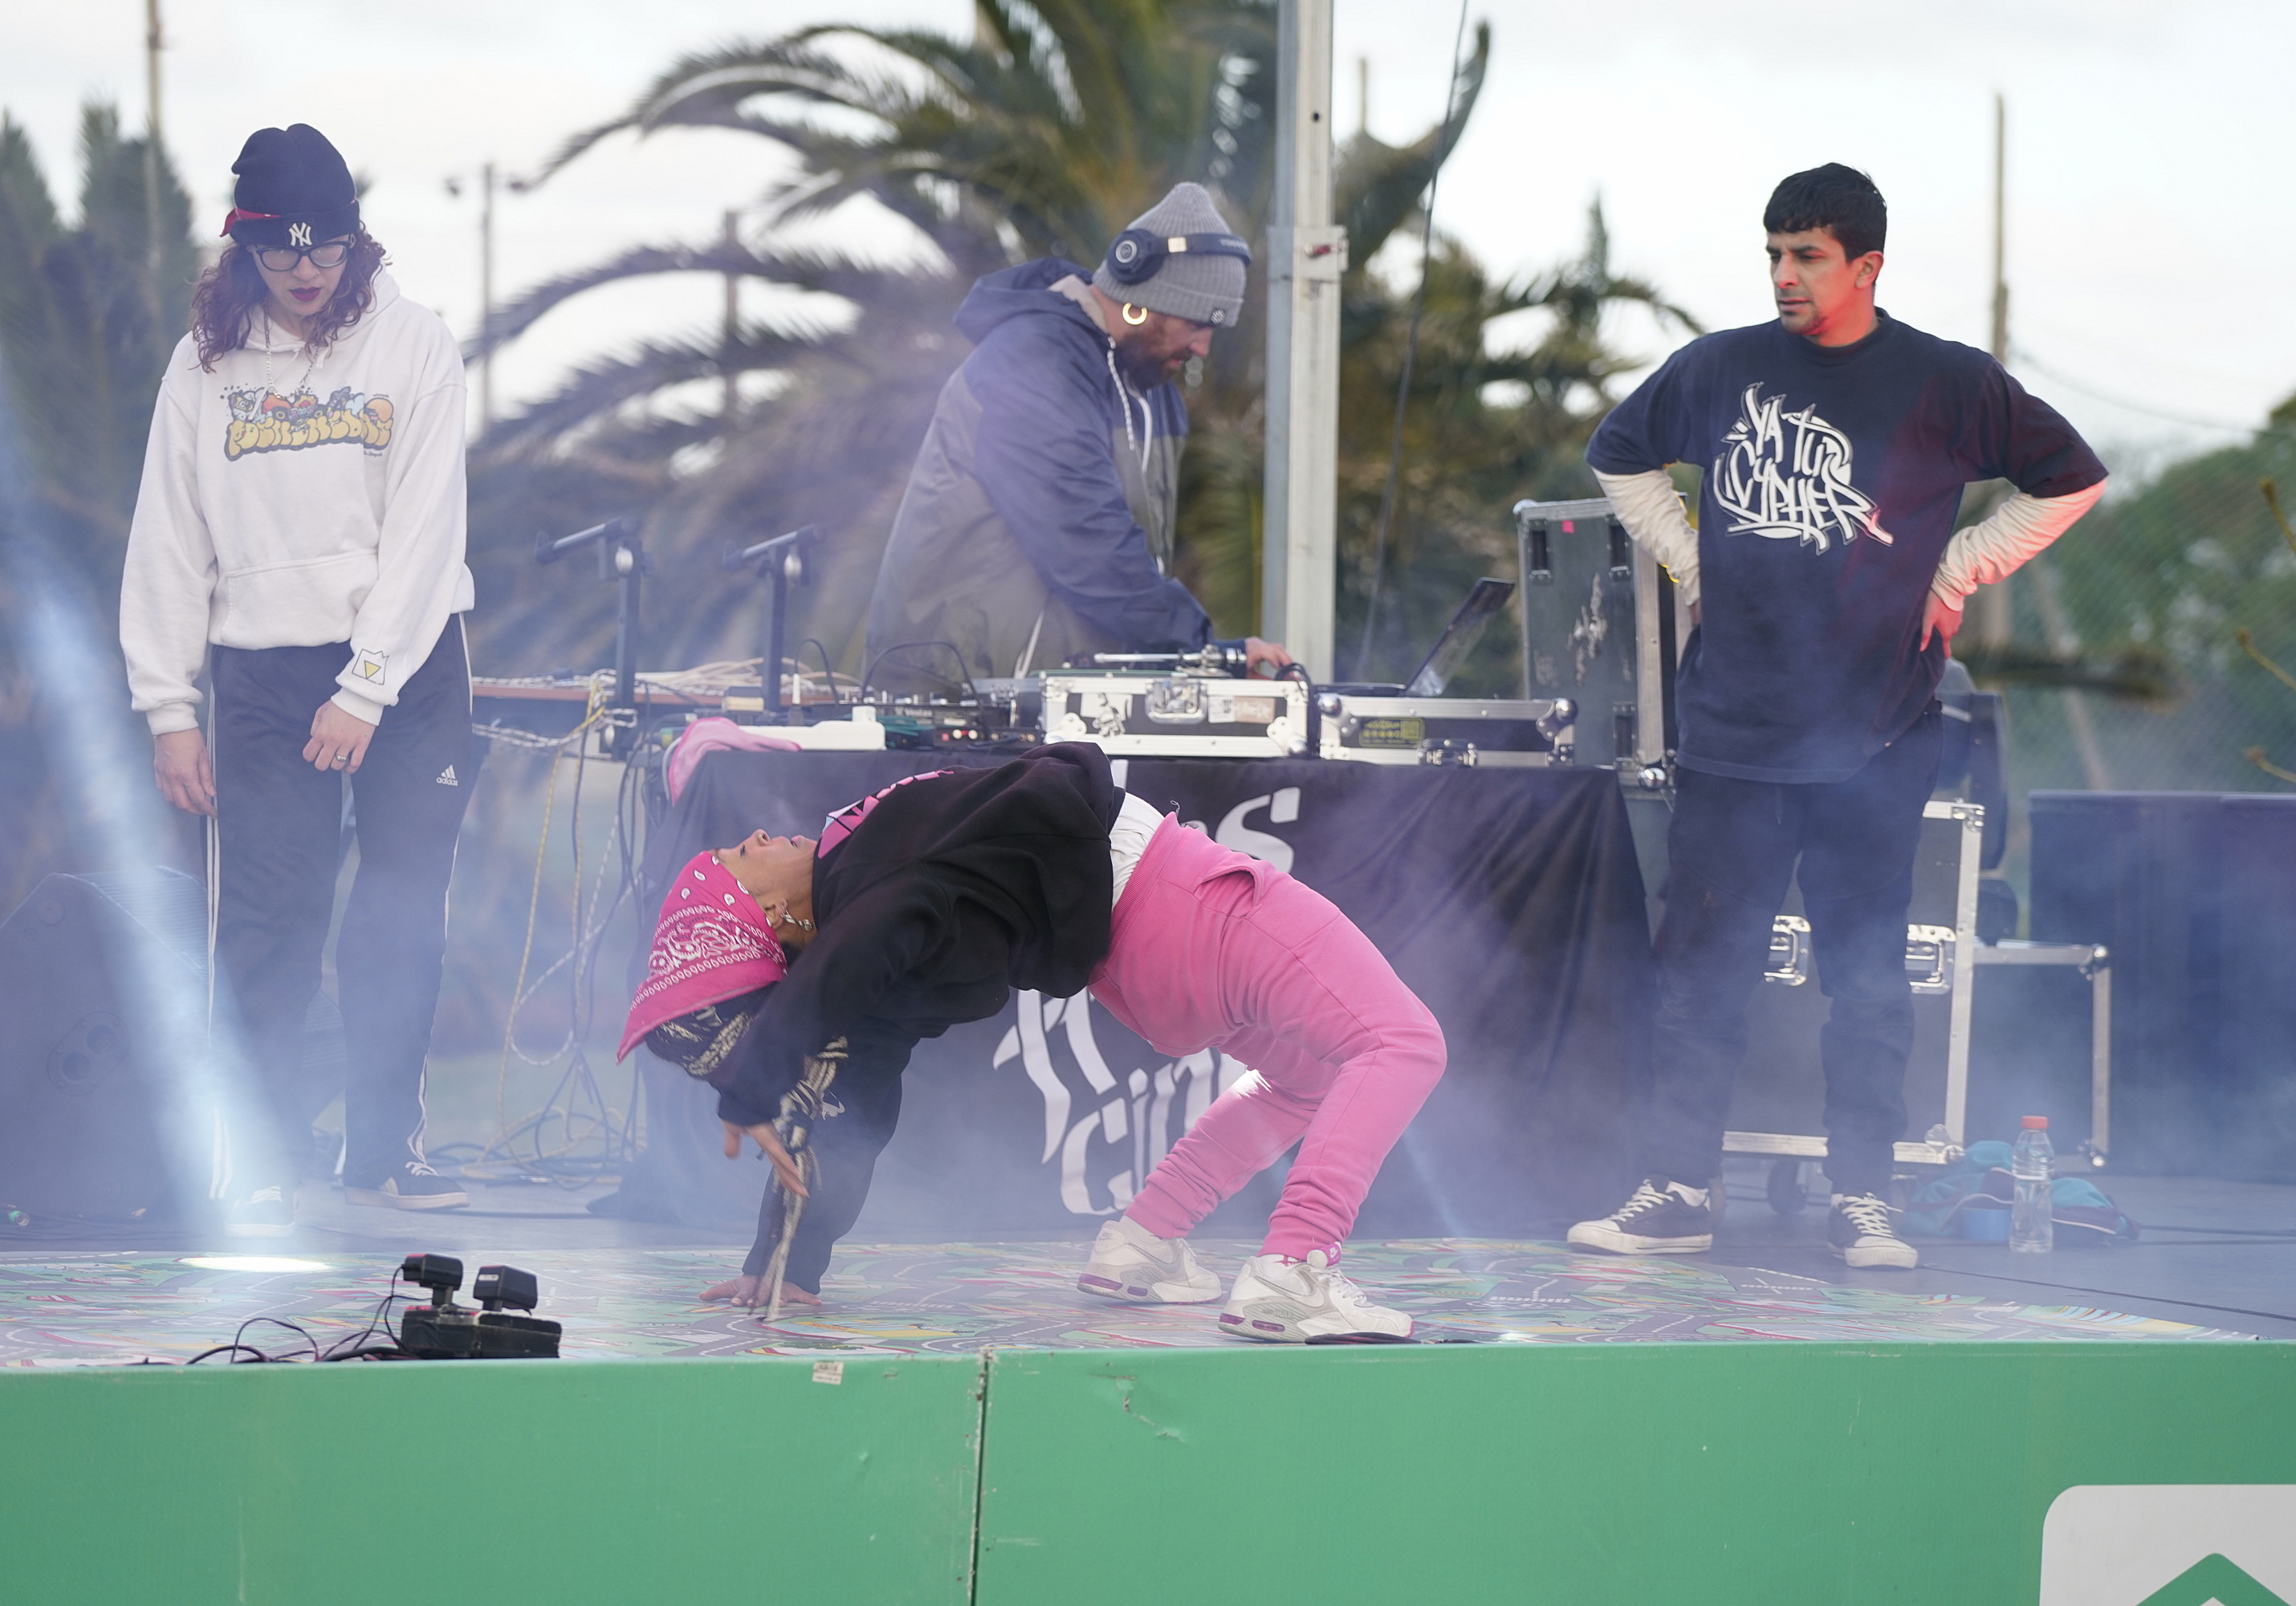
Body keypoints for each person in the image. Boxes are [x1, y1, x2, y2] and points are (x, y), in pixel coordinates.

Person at [1572, 164, 2106, 1269]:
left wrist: (1957, 571)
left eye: (1807, 255)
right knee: (1700, 976)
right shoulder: (1720, 367)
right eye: (1773, 252)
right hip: (1732, 731)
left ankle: (1864, 1195)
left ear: (1866, 265)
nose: (1784, 275)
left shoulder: (1943, 381)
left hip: (1877, 733)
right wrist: (1690, 559)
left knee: (1868, 978)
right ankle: (1678, 1190)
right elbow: (1617, 456)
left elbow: (2072, 477)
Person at [617, 744, 1447, 1341]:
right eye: (739, 859)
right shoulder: (876, 894)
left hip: (1141, 970)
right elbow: (851, 970)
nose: (758, 839)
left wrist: (788, 1262)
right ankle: (1295, 1273)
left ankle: (1145, 1242)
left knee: (1304, 1078)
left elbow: (849, 1105)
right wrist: (756, 1082)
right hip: (1181, 905)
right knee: (1401, 1042)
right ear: (780, 924)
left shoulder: (871, 910)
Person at [120, 124, 477, 1237]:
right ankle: (261, 1158)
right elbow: (168, 538)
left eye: (326, 250)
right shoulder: (205, 365)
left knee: (400, 917)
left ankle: (380, 1148)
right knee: (271, 917)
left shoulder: (414, 342)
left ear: (355, 242)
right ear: (247, 251)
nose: (308, 272)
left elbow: (426, 528)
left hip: (409, 667)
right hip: (264, 669)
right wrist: (168, 705)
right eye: (284, 255)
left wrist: (367, 685)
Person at [861, 182, 1291, 691]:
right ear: (1143, 302)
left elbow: (1132, 561)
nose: (1203, 348)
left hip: (1059, 698)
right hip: (960, 695)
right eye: (1198, 324)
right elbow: (1087, 542)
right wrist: (1204, 653)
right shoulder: (1031, 363)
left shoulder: (1153, 389)